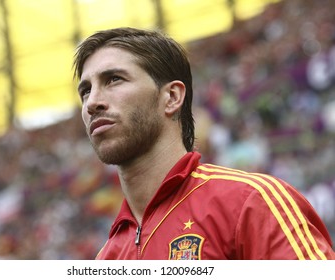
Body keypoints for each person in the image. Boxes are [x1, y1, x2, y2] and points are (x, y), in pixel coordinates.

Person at [73, 27, 335, 260]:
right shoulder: (107, 259)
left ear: (172, 97)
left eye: (114, 79)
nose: (92, 102)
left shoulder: (253, 202)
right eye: (85, 91)